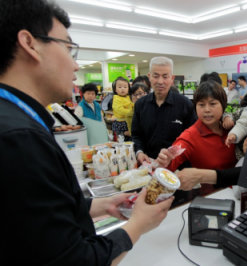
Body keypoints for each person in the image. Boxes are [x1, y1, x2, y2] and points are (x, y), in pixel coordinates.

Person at [0, 1, 173, 265]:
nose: (76, 66)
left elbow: (38, 219)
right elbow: (72, 259)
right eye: (69, 49)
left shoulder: (17, 122)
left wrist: (101, 206)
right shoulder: (20, 139)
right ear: (30, 44)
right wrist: (137, 225)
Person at [155, 80, 237, 172]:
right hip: (211, 186)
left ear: (223, 104)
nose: (207, 110)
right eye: (201, 105)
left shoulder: (235, 127)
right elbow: (173, 159)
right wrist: (166, 161)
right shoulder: (190, 136)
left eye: (212, 104)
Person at [131, 56, 197, 165]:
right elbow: (137, 135)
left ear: (172, 79)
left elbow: (192, 138)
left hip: (179, 167)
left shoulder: (185, 104)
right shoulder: (140, 104)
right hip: (150, 165)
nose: (160, 81)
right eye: (156, 76)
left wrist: (173, 157)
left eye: (165, 77)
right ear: (149, 77)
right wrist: (139, 152)